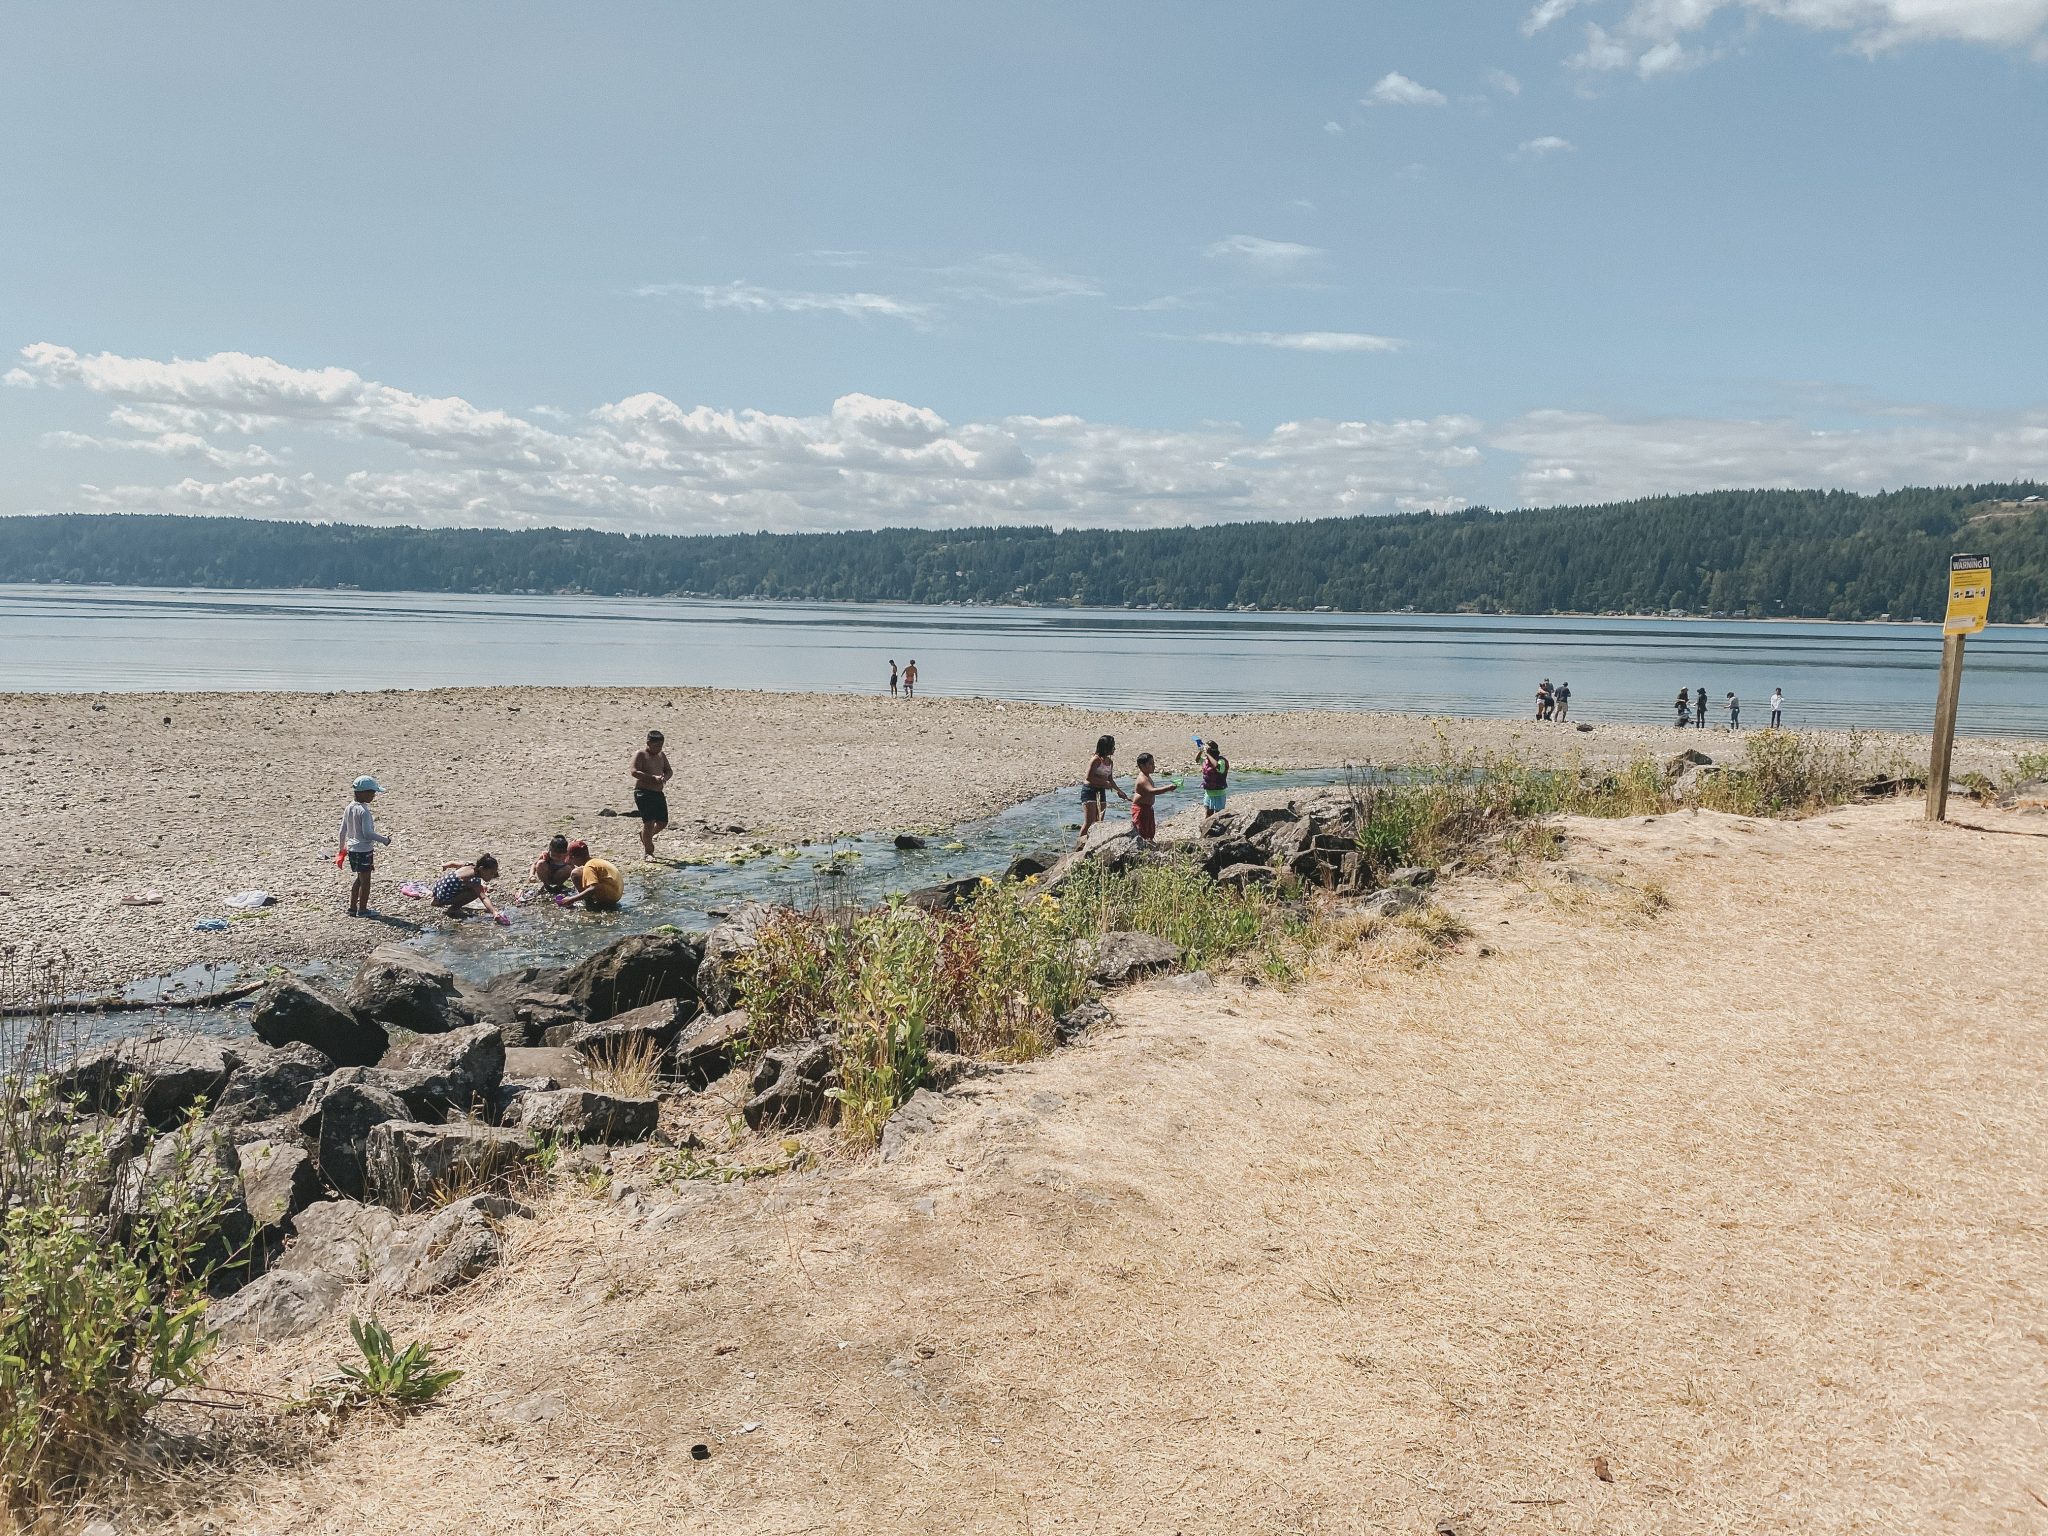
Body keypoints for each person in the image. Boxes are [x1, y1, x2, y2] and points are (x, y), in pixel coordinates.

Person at [339, 774, 392, 917]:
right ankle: (362, 909)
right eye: (372, 792)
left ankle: (352, 908)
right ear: (363, 793)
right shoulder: (364, 811)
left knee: (359, 878)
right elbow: (367, 833)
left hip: (352, 849)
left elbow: (342, 830)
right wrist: (384, 840)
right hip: (363, 850)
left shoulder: (349, 807)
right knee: (366, 881)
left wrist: (341, 849)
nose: (374, 796)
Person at [1078, 734, 1130, 848]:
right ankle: (1079, 847)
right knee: (1089, 822)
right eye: (1112, 746)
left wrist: (1119, 791)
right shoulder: (1096, 760)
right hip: (1090, 790)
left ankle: (1092, 845)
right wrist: (1104, 783)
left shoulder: (1110, 762)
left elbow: (1110, 779)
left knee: (1099, 821)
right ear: (1106, 748)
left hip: (1101, 791)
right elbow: (1089, 777)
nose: (1114, 749)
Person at [631, 730, 672, 858]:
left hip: (658, 792)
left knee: (662, 822)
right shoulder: (641, 754)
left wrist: (664, 778)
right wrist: (652, 778)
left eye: (661, 746)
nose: (658, 748)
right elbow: (634, 771)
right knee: (649, 823)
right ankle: (648, 852)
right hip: (643, 793)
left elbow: (669, 770)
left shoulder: (661, 755)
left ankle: (645, 836)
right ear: (648, 743)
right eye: (656, 746)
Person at [560, 839, 625, 911]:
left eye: (571, 860)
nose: (572, 863)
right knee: (578, 872)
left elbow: (593, 888)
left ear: (573, 857)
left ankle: (590, 905)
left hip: (611, 896)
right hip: (617, 892)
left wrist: (571, 899)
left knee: (575, 874)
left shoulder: (589, 866)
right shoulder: (595, 861)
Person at [431, 855, 501, 918]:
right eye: (491, 873)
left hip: (437, 888)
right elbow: (483, 898)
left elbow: (453, 863)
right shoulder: (474, 879)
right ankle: (453, 909)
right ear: (481, 869)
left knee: (474, 886)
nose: (492, 876)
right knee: (474, 893)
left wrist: (445, 865)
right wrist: (494, 912)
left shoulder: (469, 865)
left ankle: (435, 899)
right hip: (444, 896)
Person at [1129, 752, 1176, 842]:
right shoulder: (1142, 779)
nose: (1153, 766)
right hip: (1141, 809)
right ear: (1142, 766)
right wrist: (1168, 788)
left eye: (1153, 763)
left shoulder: (1147, 776)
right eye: (1150, 764)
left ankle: (1149, 843)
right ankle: (1141, 845)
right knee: (1141, 830)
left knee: (1149, 830)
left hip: (1147, 808)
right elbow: (1151, 791)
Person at [1198, 738, 1230, 830]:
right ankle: (1206, 830)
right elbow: (1197, 759)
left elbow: (1217, 766)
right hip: (1208, 792)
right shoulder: (1206, 761)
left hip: (1219, 792)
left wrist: (1207, 754)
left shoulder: (1221, 760)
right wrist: (1201, 751)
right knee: (1208, 813)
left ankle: (1220, 830)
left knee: (1219, 814)